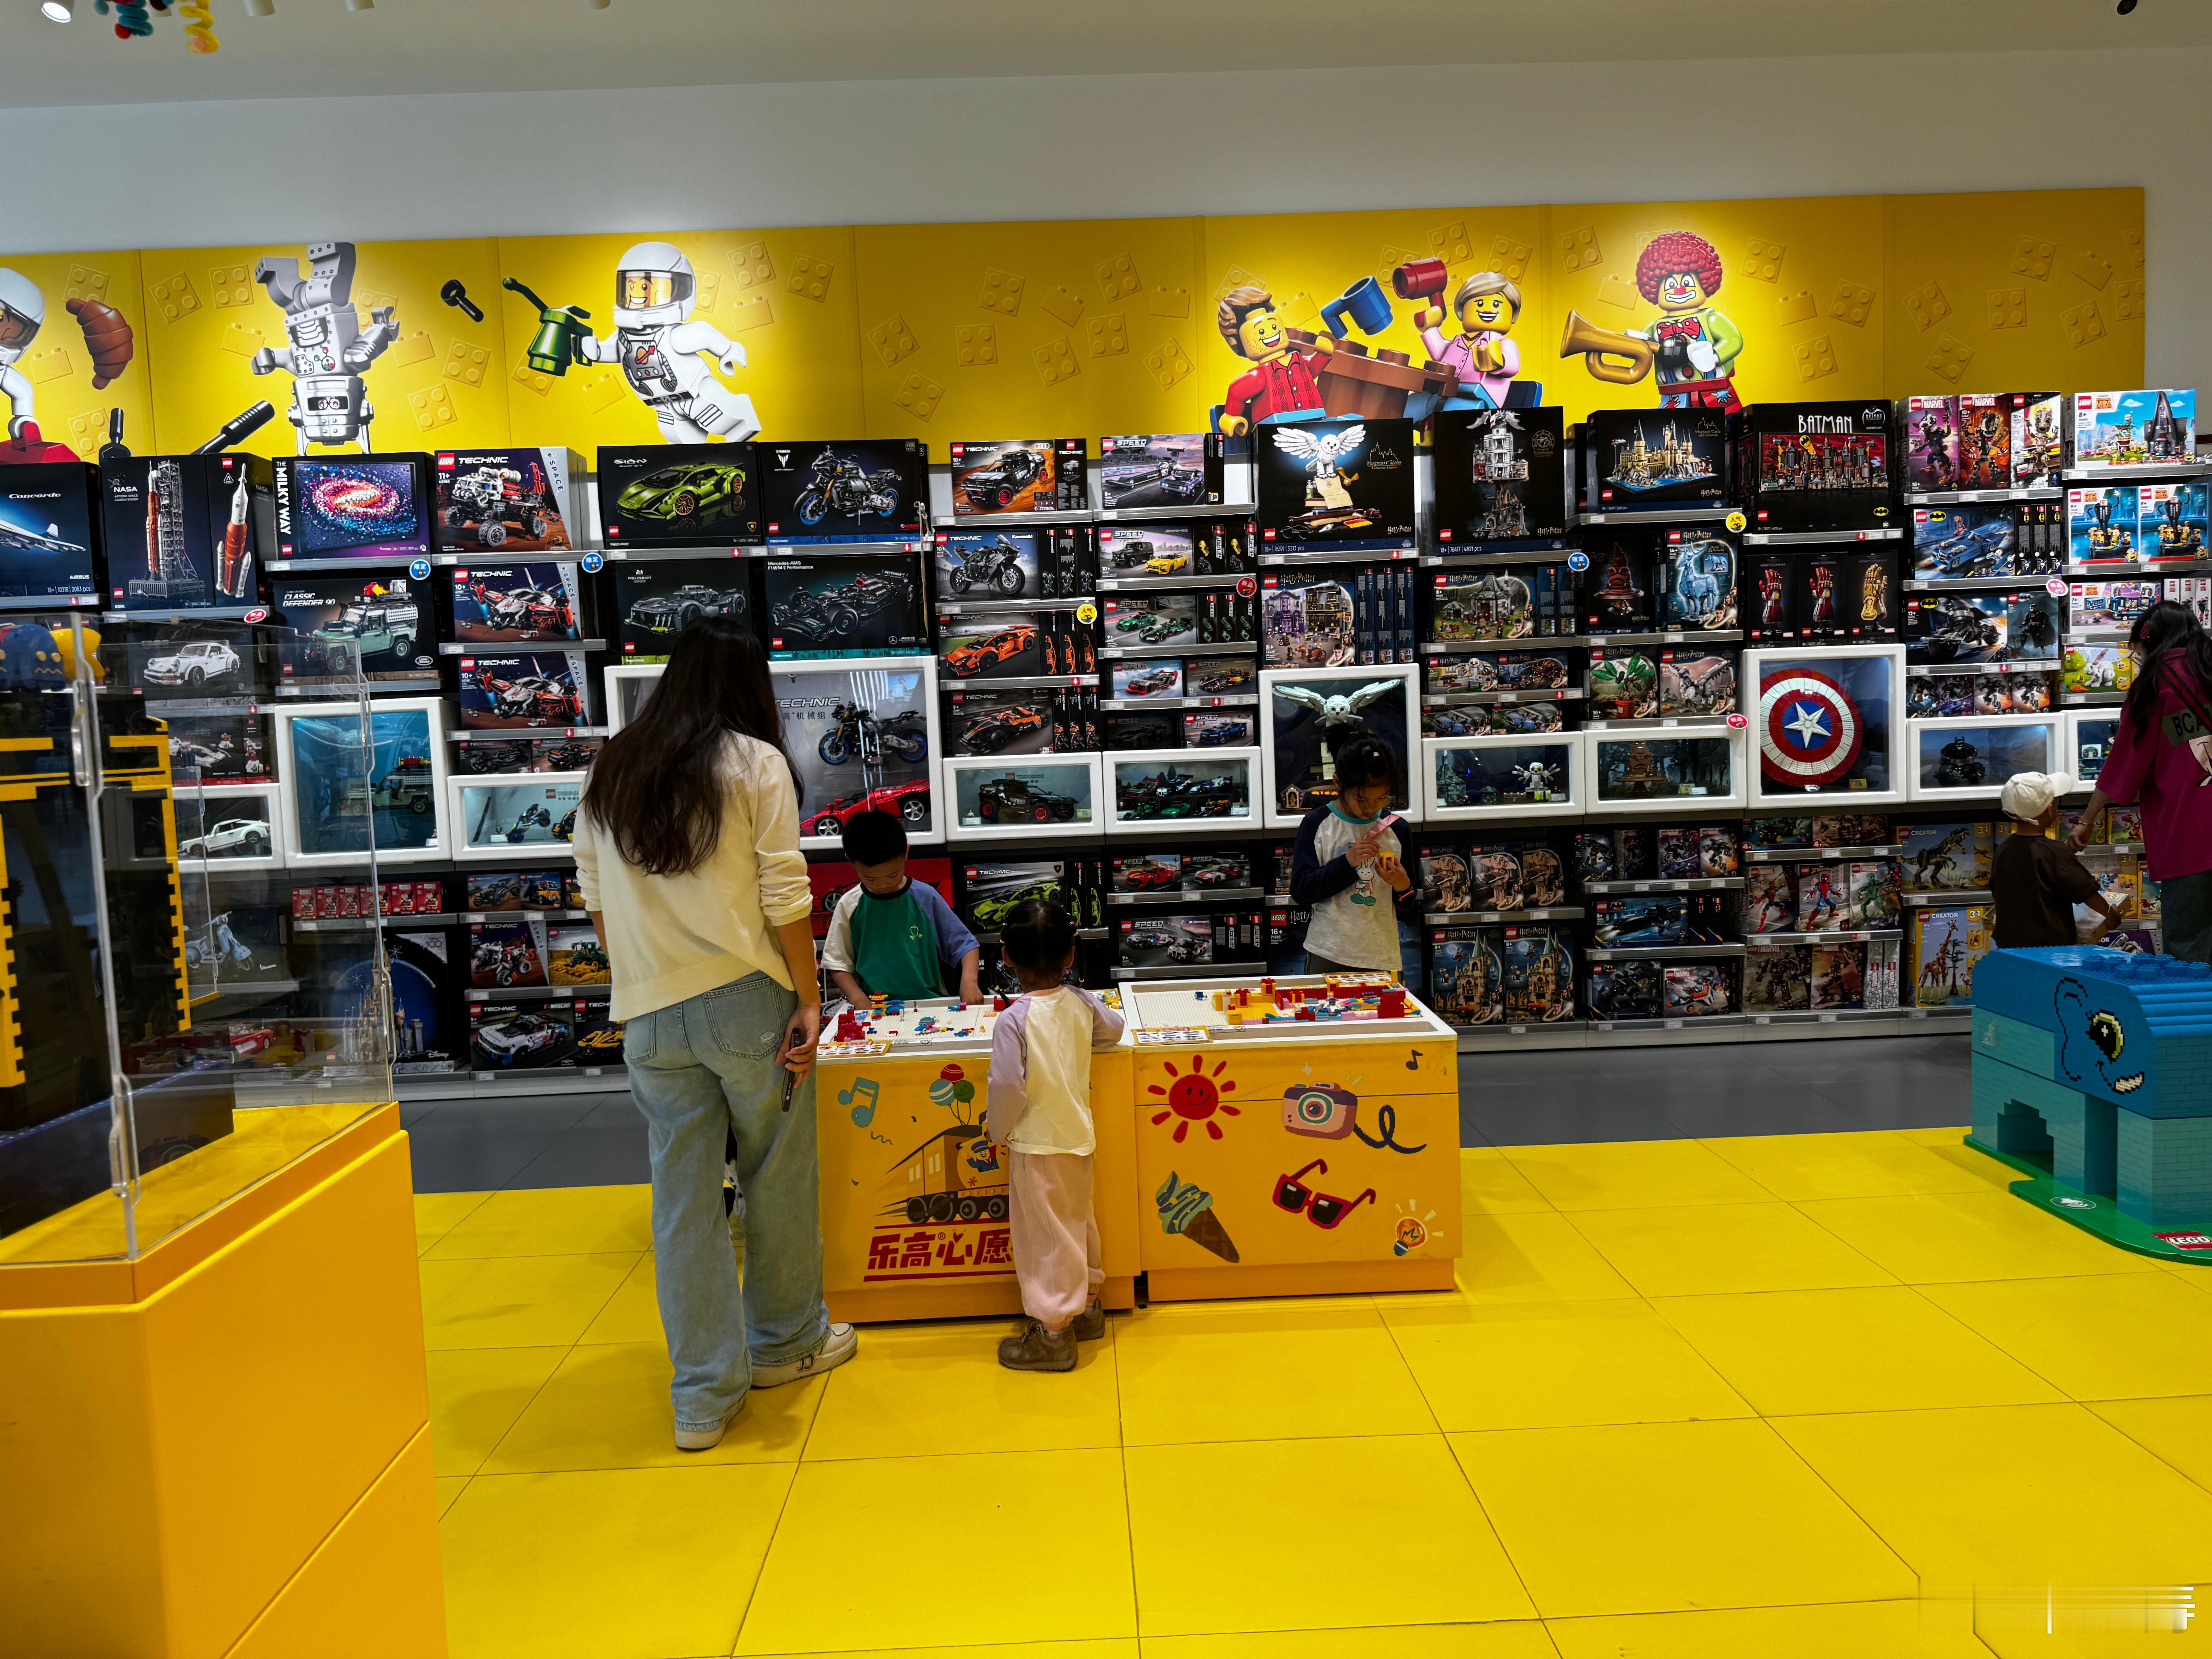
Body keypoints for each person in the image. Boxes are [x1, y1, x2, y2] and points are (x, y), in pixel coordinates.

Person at [571, 617, 855, 1452]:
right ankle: (786, 1343)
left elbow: (592, 890)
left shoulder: (614, 764)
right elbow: (785, 894)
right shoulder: (755, 762)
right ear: (746, 685)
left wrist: (641, 973)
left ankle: (701, 1396)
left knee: (683, 1199)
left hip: (649, 1013)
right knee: (777, 1174)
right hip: (746, 1000)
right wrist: (808, 997)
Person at [984, 898, 1126, 1373]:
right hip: (1078, 1139)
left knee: (1046, 1239)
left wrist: (997, 1130)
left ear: (1006, 955)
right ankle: (1087, 1307)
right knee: (1078, 1224)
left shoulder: (1013, 1021)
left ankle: (1053, 1335)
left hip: (1037, 1144)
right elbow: (1114, 1031)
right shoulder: (1081, 1002)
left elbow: (1007, 1086)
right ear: (1071, 954)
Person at [2071, 601, 2212, 962]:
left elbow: (2125, 765)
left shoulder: (2156, 686)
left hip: (2191, 834)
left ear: (2151, 642)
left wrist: (2087, 820)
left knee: (2191, 951)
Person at [823, 809, 982, 1006]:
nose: (883, 885)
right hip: (874, 1008)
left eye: (893, 875)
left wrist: (970, 982)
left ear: (906, 852)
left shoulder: (926, 897)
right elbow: (838, 964)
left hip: (929, 1005)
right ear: (850, 860)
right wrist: (858, 999)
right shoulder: (849, 905)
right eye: (871, 879)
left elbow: (966, 946)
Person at [1287, 733, 1413, 975]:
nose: (1372, 808)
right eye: (1361, 800)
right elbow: (1301, 891)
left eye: (1383, 798)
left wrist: (1403, 885)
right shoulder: (1317, 824)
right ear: (1338, 783)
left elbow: (1408, 903)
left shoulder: (1397, 828)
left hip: (1381, 955)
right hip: (1327, 951)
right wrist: (1347, 864)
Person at [1990, 771, 2119, 949]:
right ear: (2051, 809)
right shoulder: (2055, 852)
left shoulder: (2003, 849)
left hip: (2009, 942)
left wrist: (2064, 852)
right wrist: (2111, 915)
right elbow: (2086, 891)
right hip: (2049, 946)